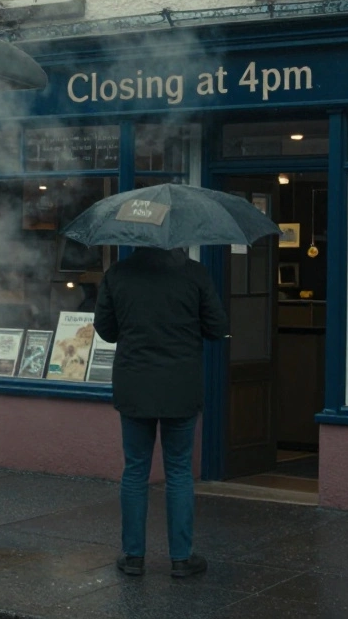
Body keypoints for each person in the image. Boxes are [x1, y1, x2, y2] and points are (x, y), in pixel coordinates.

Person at [93, 246, 229, 578]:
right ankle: (181, 559)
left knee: (136, 470)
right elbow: (216, 327)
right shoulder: (194, 273)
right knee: (179, 471)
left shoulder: (118, 274)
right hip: (180, 387)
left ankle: (133, 557)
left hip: (135, 384)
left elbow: (106, 330)